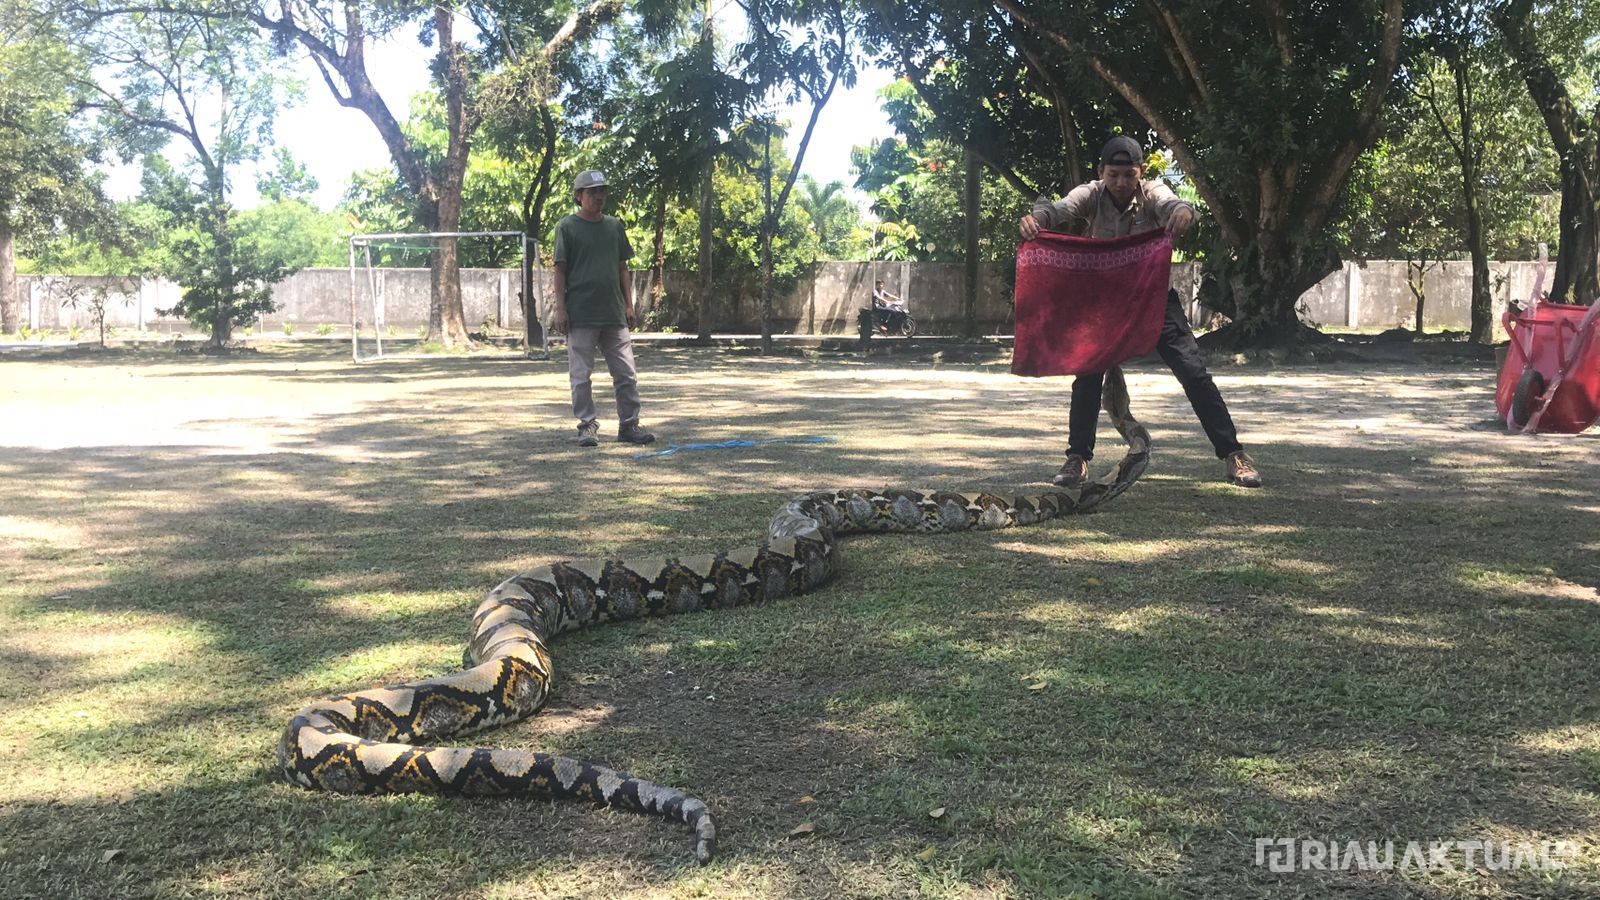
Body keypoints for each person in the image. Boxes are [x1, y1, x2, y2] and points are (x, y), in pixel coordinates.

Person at [1019, 135, 1261, 488]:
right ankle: (1077, 459)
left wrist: (1183, 213)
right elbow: (1059, 209)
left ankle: (1233, 453)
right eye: (1113, 174)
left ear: (1140, 173)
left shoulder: (1152, 192)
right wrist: (1036, 219)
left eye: (1129, 175)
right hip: (1102, 305)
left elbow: (1177, 204)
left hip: (1154, 300)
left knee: (1193, 372)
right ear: (1102, 172)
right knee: (1087, 376)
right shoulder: (1091, 194)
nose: (1120, 183)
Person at [552, 169, 656, 447]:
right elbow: (560, 271)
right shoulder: (567, 227)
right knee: (581, 375)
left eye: (602, 191)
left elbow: (623, 269)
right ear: (578, 196)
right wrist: (560, 308)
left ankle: (629, 425)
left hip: (614, 313)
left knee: (625, 372)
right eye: (592, 192)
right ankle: (587, 425)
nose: (598, 196)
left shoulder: (614, 226)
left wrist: (630, 305)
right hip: (581, 313)